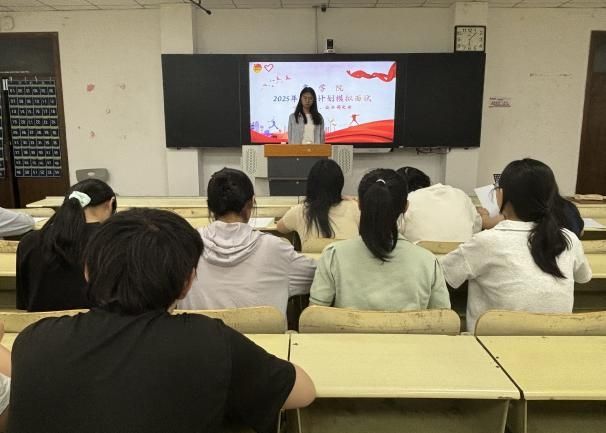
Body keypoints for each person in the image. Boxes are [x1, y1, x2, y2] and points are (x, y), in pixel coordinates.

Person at [8, 208, 315, 433]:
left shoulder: (34, 341)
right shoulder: (209, 342)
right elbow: (303, 391)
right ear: (188, 282)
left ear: (87, 271)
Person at [440, 158, 592, 332]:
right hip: (555, 339)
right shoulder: (568, 238)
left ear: (500, 195)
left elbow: (440, 274)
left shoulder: (487, 241)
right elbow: (583, 277)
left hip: (493, 342)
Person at [178, 168, 316, 316]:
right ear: (250, 204)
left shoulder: (184, 247)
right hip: (260, 332)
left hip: (198, 331)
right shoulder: (276, 250)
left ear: (209, 206)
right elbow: (322, 275)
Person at [310, 169, 450, 310]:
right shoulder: (428, 262)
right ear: (405, 207)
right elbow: (444, 318)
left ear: (359, 204)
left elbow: (313, 316)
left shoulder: (333, 257)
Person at [16, 179, 116, 312]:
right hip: (98, 324)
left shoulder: (29, 241)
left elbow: (24, 301)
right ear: (111, 204)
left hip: (41, 324)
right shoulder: (114, 242)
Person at [277, 159, 360, 251]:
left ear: (310, 184)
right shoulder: (354, 207)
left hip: (312, 260)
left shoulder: (300, 211)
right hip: (345, 260)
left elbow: (280, 228)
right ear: (340, 183)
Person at [396, 166, 484, 242]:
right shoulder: (459, 194)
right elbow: (479, 225)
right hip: (462, 254)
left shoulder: (406, 202)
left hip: (422, 254)